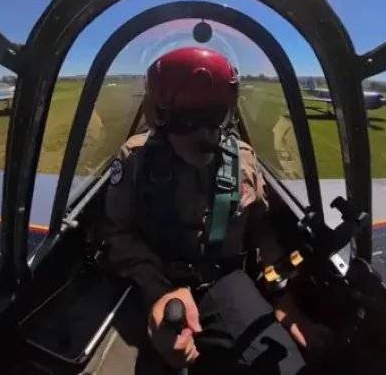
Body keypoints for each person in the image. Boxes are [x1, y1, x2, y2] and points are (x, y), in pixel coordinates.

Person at [99, 46, 331, 374]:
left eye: (215, 118)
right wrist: (156, 290)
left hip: (223, 281)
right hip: (153, 281)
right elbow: (117, 233)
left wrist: (284, 304)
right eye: (189, 121)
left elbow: (261, 230)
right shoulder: (135, 161)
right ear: (160, 117)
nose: (206, 135)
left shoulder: (245, 161)